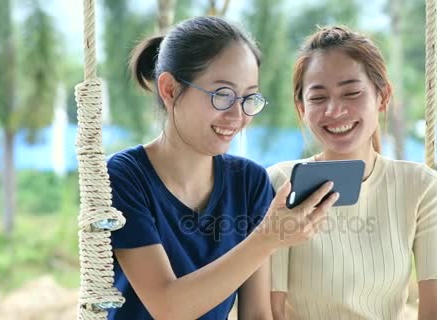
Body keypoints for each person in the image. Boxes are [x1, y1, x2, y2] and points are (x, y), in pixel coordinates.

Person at [106, 16, 339, 320]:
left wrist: (268, 237)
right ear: (170, 89)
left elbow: (256, 314)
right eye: (223, 95)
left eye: (248, 98)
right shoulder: (125, 175)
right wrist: (268, 237)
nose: (237, 115)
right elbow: (167, 307)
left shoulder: (250, 182)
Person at [268, 26, 437, 320]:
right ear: (301, 108)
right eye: (318, 98)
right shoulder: (279, 183)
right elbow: (269, 311)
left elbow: (435, 310)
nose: (334, 110)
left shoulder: (423, 187)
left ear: (383, 97)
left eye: (352, 93)